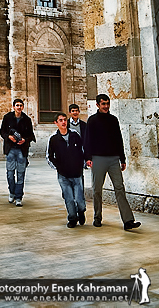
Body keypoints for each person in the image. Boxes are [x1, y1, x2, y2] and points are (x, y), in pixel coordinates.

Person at [84, 93, 141, 231]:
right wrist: (88, 158)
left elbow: (118, 139)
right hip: (98, 159)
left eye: (107, 103)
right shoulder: (92, 121)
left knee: (120, 188)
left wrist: (122, 158)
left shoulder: (113, 120)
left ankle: (128, 221)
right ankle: (97, 217)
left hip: (114, 159)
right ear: (97, 105)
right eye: (103, 104)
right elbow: (87, 140)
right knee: (97, 190)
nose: (106, 106)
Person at [47, 112, 86, 227]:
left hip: (77, 173)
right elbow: (49, 156)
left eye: (65, 120)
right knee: (68, 198)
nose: (63, 122)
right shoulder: (53, 139)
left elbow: (82, 150)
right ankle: (72, 218)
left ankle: (81, 211)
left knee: (79, 199)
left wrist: (82, 164)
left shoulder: (75, 135)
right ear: (56, 123)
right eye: (61, 120)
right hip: (63, 175)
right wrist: (58, 167)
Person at [0, 98, 36, 206]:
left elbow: (31, 135)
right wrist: (9, 137)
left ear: (23, 107)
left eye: (21, 105)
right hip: (10, 149)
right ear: (13, 107)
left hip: (22, 150)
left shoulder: (27, 120)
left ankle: (19, 197)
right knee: (10, 174)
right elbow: (2, 131)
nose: (19, 107)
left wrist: (25, 139)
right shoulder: (7, 118)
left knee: (21, 174)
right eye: (17, 105)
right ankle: (12, 193)